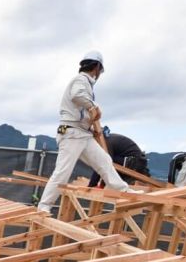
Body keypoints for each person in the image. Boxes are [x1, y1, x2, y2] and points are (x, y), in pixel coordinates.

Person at [36, 51, 139, 213]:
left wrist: (91, 125)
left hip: (82, 133)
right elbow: (77, 95)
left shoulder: (85, 83)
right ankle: (43, 207)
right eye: (100, 70)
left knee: (104, 160)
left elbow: (79, 110)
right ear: (97, 67)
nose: (99, 74)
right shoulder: (81, 80)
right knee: (63, 171)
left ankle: (123, 191)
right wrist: (93, 106)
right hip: (72, 134)